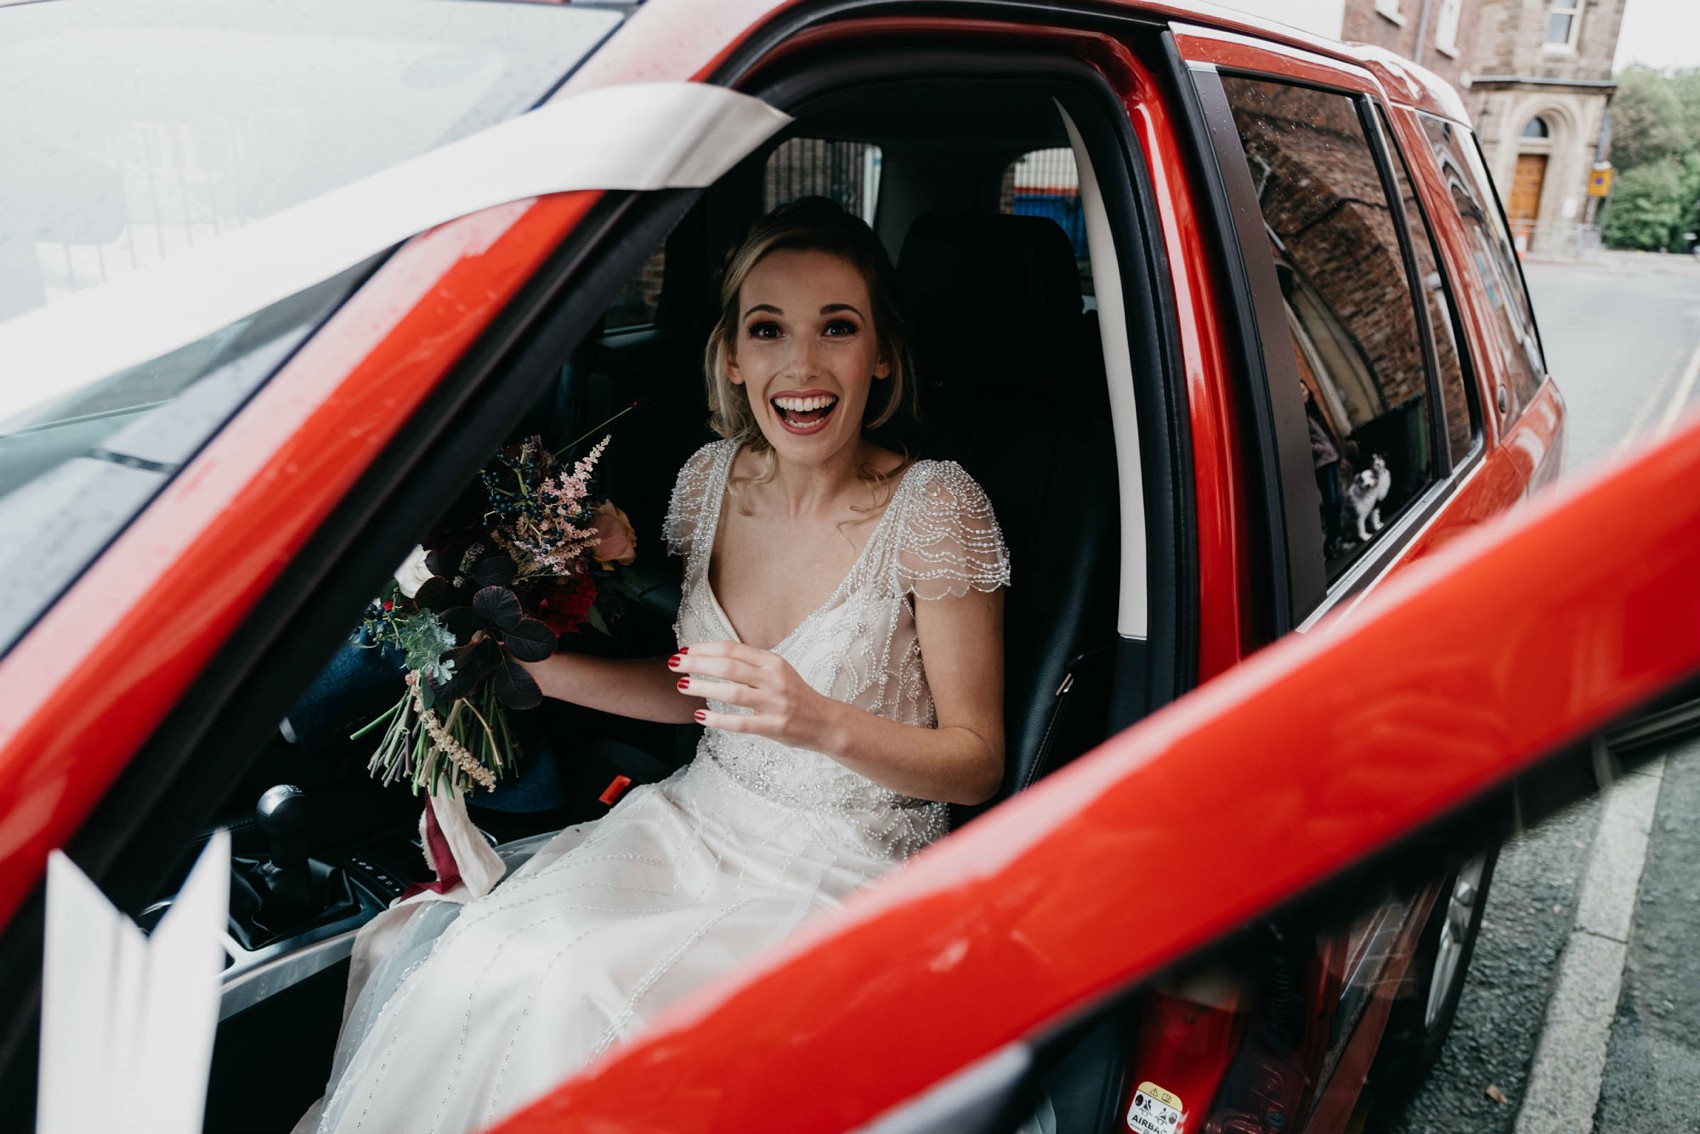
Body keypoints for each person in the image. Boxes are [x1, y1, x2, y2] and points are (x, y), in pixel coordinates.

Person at [297, 197, 1010, 1134]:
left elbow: (977, 757)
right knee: (486, 952)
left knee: (579, 998)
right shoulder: (712, 481)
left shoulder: (934, 506)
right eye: (769, 330)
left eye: (837, 328)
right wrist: (537, 670)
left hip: (846, 866)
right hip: (691, 824)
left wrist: (818, 720)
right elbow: (693, 688)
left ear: (880, 356)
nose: (801, 367)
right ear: (731, 357)